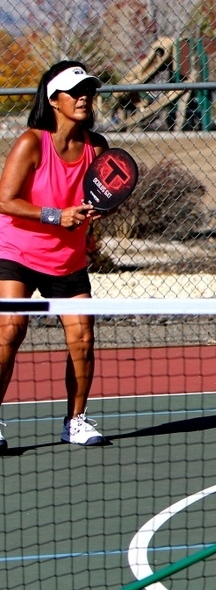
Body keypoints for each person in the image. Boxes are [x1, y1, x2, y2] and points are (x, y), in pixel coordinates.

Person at [0, 61, 110, 450]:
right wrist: (55, 215)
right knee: (9, 332)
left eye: (89, 91)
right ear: (54, 99)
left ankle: (75, 420)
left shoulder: (97, 147)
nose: (84, 98)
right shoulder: (32, 142)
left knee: (82, 337)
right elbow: (5, 200)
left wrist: (92, 218)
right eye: (75, 92)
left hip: (68, 258)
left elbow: (99, 195)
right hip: (18, 252)